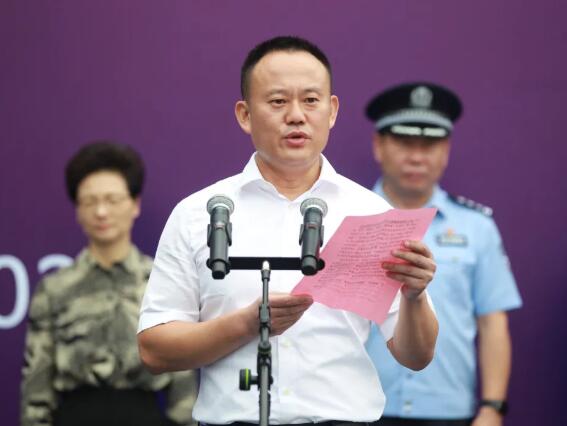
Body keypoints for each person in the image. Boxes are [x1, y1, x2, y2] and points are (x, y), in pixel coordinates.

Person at [137, 36, 438, 425]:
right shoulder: (199, 214)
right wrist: (247, 325)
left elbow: (415, 356)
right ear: (245, 115)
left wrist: (415, 295)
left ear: (332, 111)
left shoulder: (371, 214)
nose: (296, 116)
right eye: (278, 101)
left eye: (311, 100)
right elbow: (154, 350)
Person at [364, 82, 523, 426]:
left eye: (429, 145)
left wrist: (492, 407)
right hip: (360, 408)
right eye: (404, 142)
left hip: (448, 412)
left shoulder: (477, 227)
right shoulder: (350, 220)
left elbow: (492, 322)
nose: (417, 157)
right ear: (378, 145)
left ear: (446, 150)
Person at [20, 142, 197, 426]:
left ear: (135, 204)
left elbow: (183, 385)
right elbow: (36, 391)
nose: (101, 212)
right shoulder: (54, 290)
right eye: (90, 201)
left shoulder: (161, 282)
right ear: (78, 209)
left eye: (112, 200)